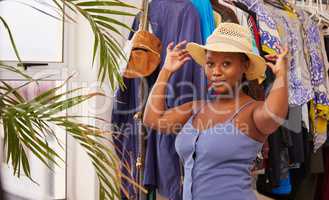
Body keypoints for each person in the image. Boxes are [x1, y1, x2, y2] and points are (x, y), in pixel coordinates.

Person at [143, 23, 288, 200]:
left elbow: (275, 114)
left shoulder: (252, 112)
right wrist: (166, 71)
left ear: (244, 66)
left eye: (226, 64)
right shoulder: (197, 108)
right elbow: (153, 119)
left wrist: (281, 75)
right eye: (210, 64)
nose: (216, 72)